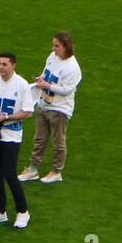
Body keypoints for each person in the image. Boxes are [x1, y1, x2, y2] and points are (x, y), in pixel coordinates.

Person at [20, 32, 82, 185]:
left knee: (58, 141)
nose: (54, 49)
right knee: (39, 139)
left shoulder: (73, 68)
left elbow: (67, 89)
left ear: (66, 47)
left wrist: (47, 85)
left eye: (57, 46)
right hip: (44, 104)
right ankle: (33, 169)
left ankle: (56, 171)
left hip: (59, 108)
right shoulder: (52, 57)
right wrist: (41, 79)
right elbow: (46, 72)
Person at [0, 52, 33, 229]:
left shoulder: (22, 85)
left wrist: (7, 117)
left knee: (9, 173)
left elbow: (27, 111)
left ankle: (23, 211)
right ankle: (0, 211)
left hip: (11, 137)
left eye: (4, 64)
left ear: (13, 65)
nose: (1, 67)